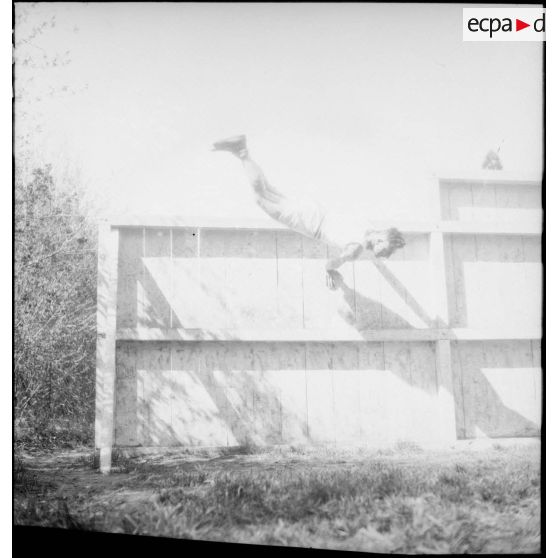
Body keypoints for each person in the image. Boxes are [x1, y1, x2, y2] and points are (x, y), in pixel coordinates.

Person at [212, 135, 405, 290]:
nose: (383, 256)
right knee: (260, 197)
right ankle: (243, 152)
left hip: (314, 209)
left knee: (267, 188)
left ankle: (242, 152)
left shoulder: (368, 226)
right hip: (309, 223)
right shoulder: (356, 249)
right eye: (386, 251)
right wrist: (331, 271)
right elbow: (330, 263)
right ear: (381, 240)